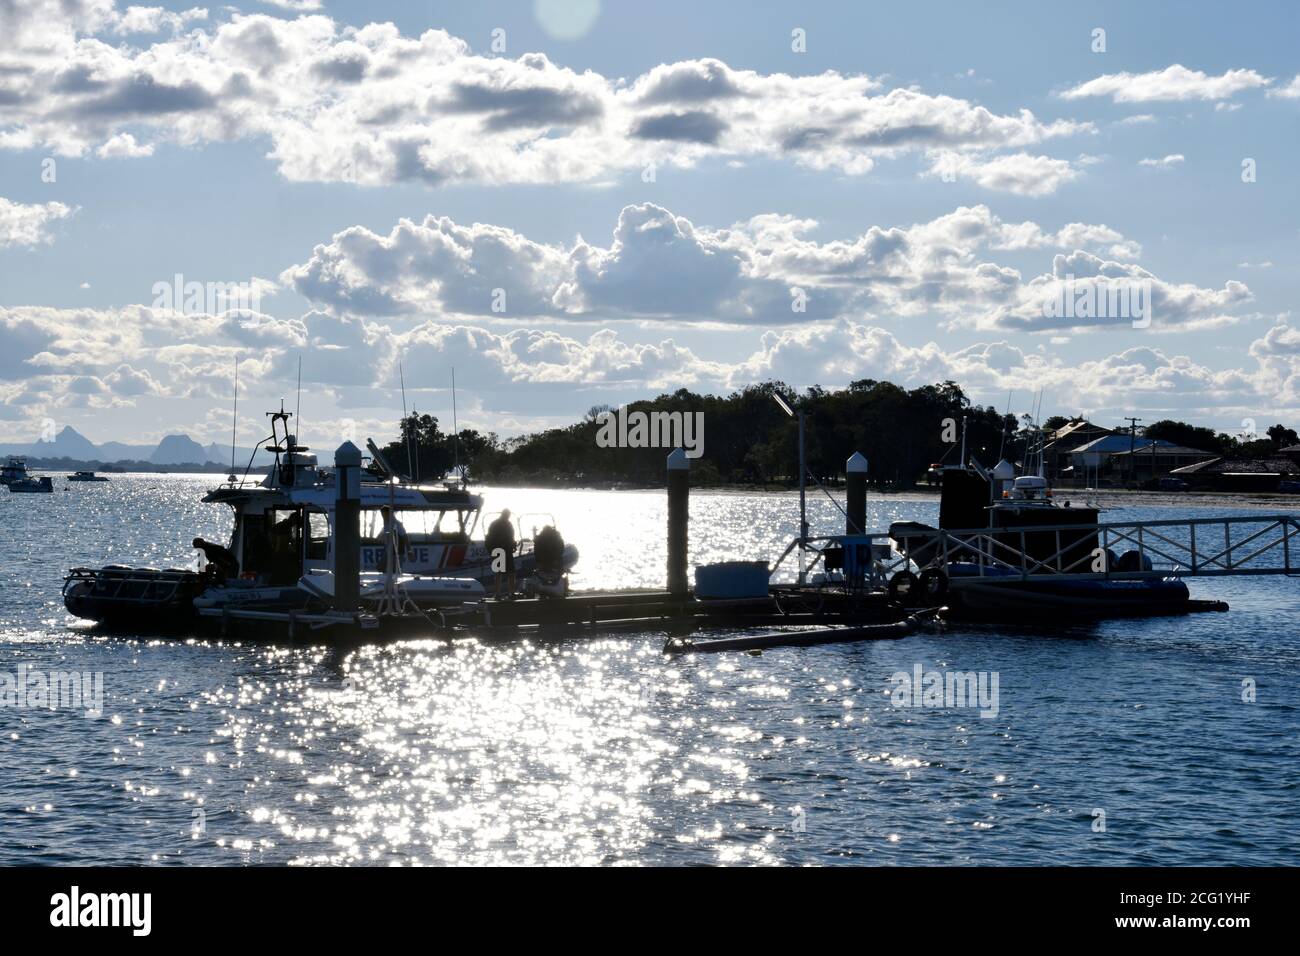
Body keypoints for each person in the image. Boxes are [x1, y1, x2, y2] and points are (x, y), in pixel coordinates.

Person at [485, 508, 517, 599]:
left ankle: (502, 593)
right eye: (507, 515)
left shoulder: (496, 524)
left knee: (503, 573)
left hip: (502, 550)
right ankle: (507, 593)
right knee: (508, 573)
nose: (508, 516)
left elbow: (489, 539)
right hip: (502, 550)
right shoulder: (506, 524)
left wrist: (513, 544)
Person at [377, 506, 409, 574]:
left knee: (394, 571)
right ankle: (385, 582)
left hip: (398, 552)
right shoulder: (386, 523)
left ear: (389, 514)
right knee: (380, 567)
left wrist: (409, 550)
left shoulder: (397, 524)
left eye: (384, 515)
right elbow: (383, 535)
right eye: (382, 515)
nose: (383, 516)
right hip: (389, 551)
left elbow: (405, 537)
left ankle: (393, 583)